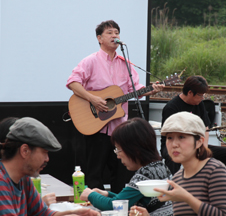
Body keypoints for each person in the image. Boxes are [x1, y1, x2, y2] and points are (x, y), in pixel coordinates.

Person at [66, 20, 163, 192]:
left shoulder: (125, 63)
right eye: (109, 33)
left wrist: (151, 90)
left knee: (120, 172)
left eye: (117, 32)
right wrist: (93, 99)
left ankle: (120, 206)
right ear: (99, 38)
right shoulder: (90, 61)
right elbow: (73, 82)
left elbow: (135, 89)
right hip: (97, 128)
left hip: (120, 128)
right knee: (94, 173)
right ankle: (96, 208)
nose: (114, 36)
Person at [160, 75, 226, 175]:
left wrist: (204, 149)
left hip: (196, 144)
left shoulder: (199, 104)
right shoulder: (171, 107)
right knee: (172, 158)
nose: (202, 98)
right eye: (200, 95)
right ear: (190, 93)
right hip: (175, 144)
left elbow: (205, 127)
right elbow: (169, 135)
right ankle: (174, 185)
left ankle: (220, 182)